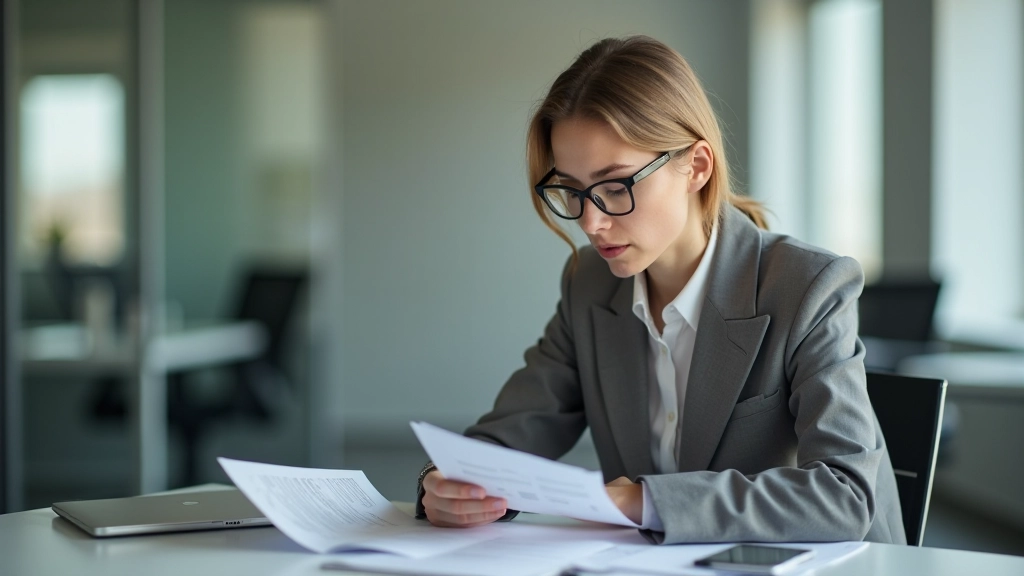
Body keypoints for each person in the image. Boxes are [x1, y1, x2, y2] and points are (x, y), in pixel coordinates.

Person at [416, 35, 906, 545]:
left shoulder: (807, 287)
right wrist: (444, 483)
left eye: (615, 186)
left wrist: (641, 501)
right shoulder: (588, 285)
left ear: (696, 166)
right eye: (572, 190)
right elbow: (509, 438)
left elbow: (845, 496)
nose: (591, 221)